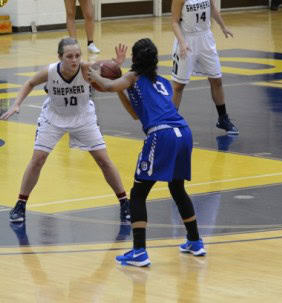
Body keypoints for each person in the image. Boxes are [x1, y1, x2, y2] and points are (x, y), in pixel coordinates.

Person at [89, 38, 206, 267]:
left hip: (162, 135)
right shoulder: (162, 82)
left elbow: (109, 86)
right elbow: (135, 113)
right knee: (177, 187)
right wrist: (119, 86)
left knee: (138, 193)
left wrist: (94, 75)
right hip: (183, 132)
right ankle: (195, 241)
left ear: (136, 58)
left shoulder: (133, 78)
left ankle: (139, 251)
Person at [1, 37, 130, 222]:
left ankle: (124, 203)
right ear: (60, 57)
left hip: (83, 117)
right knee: (37, 159)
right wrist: (16, 104)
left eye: (77, 55)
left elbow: (106, 71)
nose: (74, 60)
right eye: (69, 56)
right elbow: (29, 83)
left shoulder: (87, 69)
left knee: (104, 160)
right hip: (53, 118)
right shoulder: (51, 71)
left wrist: (116, 64)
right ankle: (20, 204)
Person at [170, 0, 239, 135]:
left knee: (216, 79)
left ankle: (223, 118)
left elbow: (213, 9)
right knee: (178, 86)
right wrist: (182, 42)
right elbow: (174, 22)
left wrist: (223, 27)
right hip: (187, 39)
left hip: (205, 38)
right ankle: (170, 121)